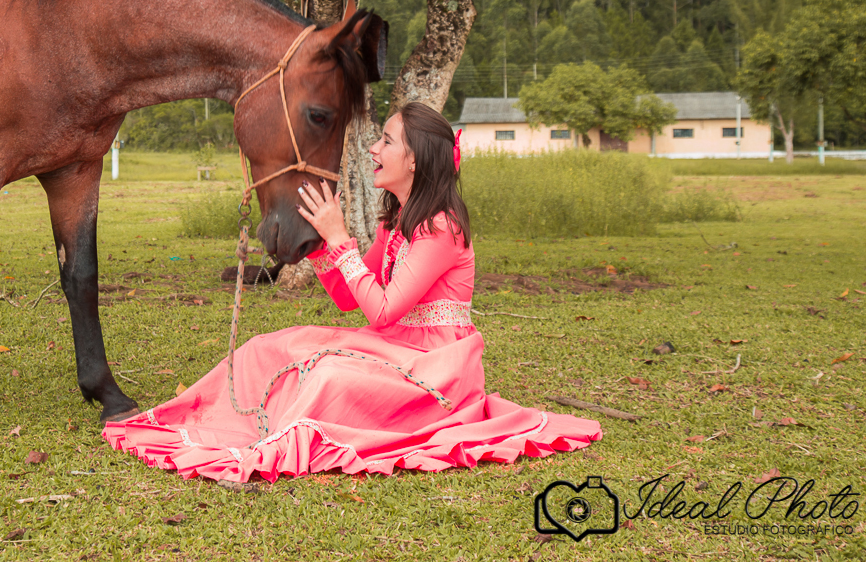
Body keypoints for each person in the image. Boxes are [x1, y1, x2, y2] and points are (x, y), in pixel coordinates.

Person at [102, 102, 601, 482]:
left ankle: (278, 436)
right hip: (396, 348)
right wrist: (322, 245)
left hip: (435, 368)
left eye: (386, 141)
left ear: (416, 158)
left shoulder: (442, 228)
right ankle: (234, 423)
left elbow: (382, 311)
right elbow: (350, 299)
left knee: (329, 374)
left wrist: (341, 237)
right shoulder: (398, 220)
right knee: (270, 346)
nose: (373, 150)